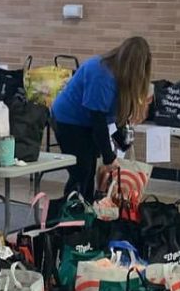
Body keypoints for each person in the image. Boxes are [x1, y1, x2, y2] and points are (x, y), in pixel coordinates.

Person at [51, 37, 152, 201]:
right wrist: (109, 157)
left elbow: (111, 114)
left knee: (90, 170)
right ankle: (70, 217)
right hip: (68, 120)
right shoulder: (101, 73)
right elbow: (98, 120)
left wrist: (120, 138)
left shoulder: (120, 75)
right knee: (81, 171)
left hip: (88, 122)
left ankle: (85, 214)